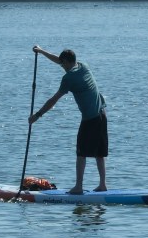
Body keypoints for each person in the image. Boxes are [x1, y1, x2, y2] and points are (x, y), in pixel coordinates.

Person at [29, 46, 108, 194]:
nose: (62, 67)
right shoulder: (83, 65)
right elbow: (58, 60)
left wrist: (37, 115)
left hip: (90, 118)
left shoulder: (69, 78)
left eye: (62, 64)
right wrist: (41, 51)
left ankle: (78, 187)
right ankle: (103, 184)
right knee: (99, 152)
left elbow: (53, 100)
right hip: (102, 113)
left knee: (81, 153)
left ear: (66, 62)